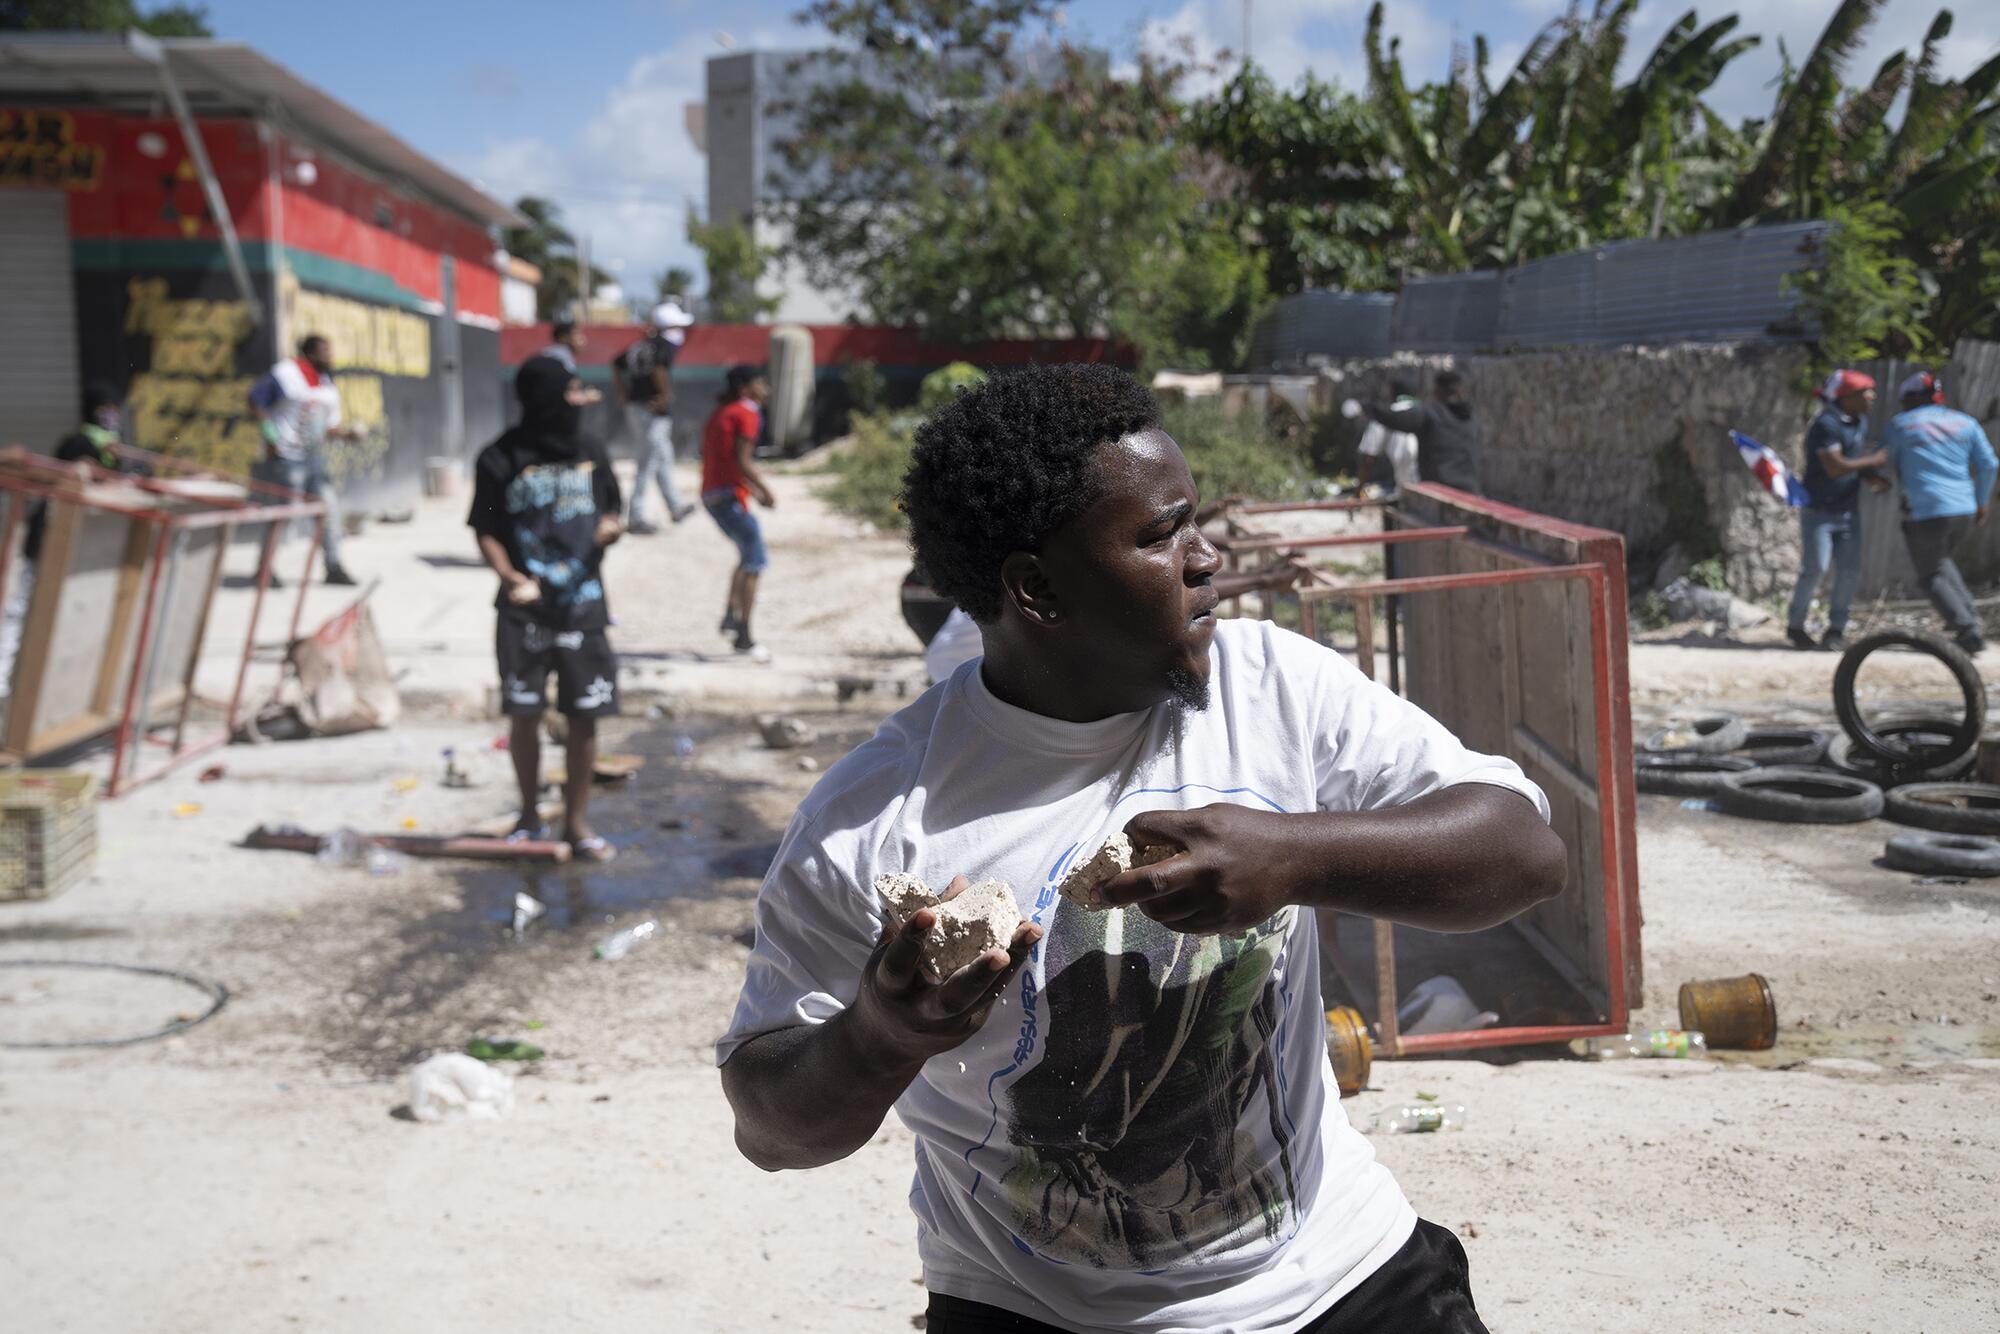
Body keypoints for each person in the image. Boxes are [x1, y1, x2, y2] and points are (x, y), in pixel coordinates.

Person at [718, 363, 1566, 1334]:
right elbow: (770, 1128)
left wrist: (1295, 854)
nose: (1206, 558)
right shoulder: (874, 818)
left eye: (1192, 520)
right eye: (1160, 534)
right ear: (1036, 586)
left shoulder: (1268, 686)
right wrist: (883, 1030)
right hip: (1037, 1311)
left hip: (1345, 1284)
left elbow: (1524, 851)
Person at [468, 355, 625, 863]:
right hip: (523, 612)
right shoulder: (499, 457)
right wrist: (510, 576)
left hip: (584, 607)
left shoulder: (591, 451)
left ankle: (576, 825)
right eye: (572, 392)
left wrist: (611, 529)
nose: (579, 402)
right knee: (524, 714)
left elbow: (611, 510)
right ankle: (530, 816)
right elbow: (485, 529)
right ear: (548, 398)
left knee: (585, 718)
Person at [3, 381, 151, 698]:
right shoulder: (77, 444)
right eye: (104, 410)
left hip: (83, 547)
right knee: (23, 610)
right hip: (49, 539)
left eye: (113, 410)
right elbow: (56, 479)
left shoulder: (115, 449)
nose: (110, 417)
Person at [1882, 371, 1997, 655]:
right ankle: (1970, 620)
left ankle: (1967, 632)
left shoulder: (1901, 425)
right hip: (1963, 508)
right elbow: (1989, 465)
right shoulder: (1965, 422)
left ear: (1911, 399)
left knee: (1930, 575)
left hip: (1925, 511)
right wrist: (1982, 502)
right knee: (1941, 563)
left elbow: (1888, 462)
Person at [1785, 369, 1891, 651]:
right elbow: (1834, 466)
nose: (1872, 396)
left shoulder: (1859, 422)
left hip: (1847, 510)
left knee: (1849, 570)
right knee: (1815, 568)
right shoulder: (1826, 424)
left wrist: (1870, 476)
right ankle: (1795, 626)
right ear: (1847, 397)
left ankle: (1836, 630)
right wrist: (1874, 460)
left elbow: (1851, 463)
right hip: (1819, 510)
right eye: (1866, 392)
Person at [251, 333, 359, 586]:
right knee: (283, 514)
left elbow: (327, 426)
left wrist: (347, 434)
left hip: (313, 459)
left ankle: (333, 567)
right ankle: (265, 569)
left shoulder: (325, 383)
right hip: (286, 459)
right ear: (311, 353)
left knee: (329, 511)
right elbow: (255, 399)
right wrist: (270, 436)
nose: (330, 356)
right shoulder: (287, 374)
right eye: (325, 351)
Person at [701, 364, 776, 661]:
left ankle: (730, 616)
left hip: (712, 492)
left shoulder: (722, 411)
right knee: (756, 561)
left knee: (746, 555)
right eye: (762, 383)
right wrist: (766, 491)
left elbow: (724, 458)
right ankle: (744, 635)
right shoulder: (747, 412)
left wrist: (753, 491)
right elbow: (743, 461)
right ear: (746, 388)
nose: (766, 390)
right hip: (728, 495)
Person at [614, 300, 696, 533]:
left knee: (663, 457)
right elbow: (658, 369)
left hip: (638, 408)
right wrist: (665, 395)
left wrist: (622, 393)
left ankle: (675, 505)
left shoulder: (641, 345)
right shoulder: (662, 346)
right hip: (652, 412)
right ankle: (635, 515)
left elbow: (616, 364)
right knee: (648, 461)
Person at [1349, 369, 1481, 494]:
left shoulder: (1429, 413)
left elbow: (1392, 418)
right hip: (1470, 491)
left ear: (1437, 390)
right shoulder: (1469, 417)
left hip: (1440, 492)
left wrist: (1365, 407)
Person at [1353, 378, 1421, 493]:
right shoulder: (1426, 412)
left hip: (1408, 488)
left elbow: (1369, 458)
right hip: (1437, 486)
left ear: (1392, 393)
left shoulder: (1386, 415)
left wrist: (1357, 492)